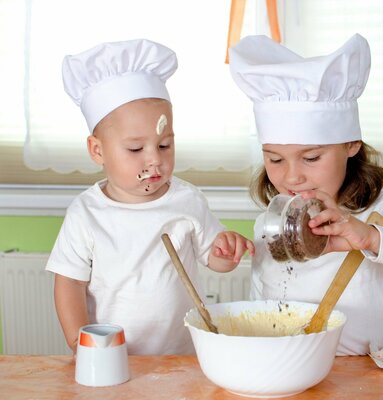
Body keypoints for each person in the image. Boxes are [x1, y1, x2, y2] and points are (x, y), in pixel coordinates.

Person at [229, 34, 383, 355]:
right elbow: (261, 312)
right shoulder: (272, 224)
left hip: (358, 381)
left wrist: (371, 239)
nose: (291, 176)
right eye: (275, 158)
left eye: (311, 157)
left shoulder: (382, 215)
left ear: (351, 144)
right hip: (283, 373)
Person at [46, 39, 254, 355]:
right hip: (114, 355)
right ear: (97, 150)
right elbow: (69, 283)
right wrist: (79, 341)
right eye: (135, 149)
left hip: (182, 355)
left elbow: (213, 257)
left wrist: (226, 253)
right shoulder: (86, 213)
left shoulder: (187, 200)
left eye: (165, 145)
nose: (154, 159)